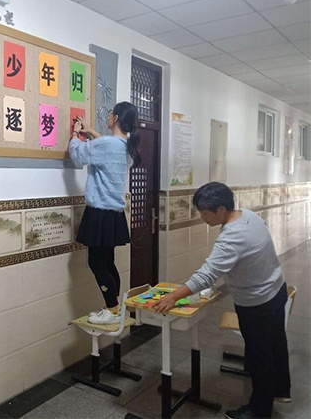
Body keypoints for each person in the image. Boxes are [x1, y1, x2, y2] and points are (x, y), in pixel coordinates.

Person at [152, 182, 290, 419]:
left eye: (205, 213)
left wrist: (174, 296)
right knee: (276, 345)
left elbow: (207, 274)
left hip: (256, 303)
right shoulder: (247, 216)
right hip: (276, 289)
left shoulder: (232, 236)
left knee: (260, 356)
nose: (202, 217)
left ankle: (259, 410)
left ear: (222, 210)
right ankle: (279, 389)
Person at [69, 101, 141, 324]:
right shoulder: (126, 146)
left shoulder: (108, 144)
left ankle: (111, 308)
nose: (108, 117)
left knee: (97, 263)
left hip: (99, 213)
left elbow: (77, 155)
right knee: (108, 262)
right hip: (114, 213)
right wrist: (90, 130)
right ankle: (115, 307)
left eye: (111, 114)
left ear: (116, 118)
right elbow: (106, 147)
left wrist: (75, 134)